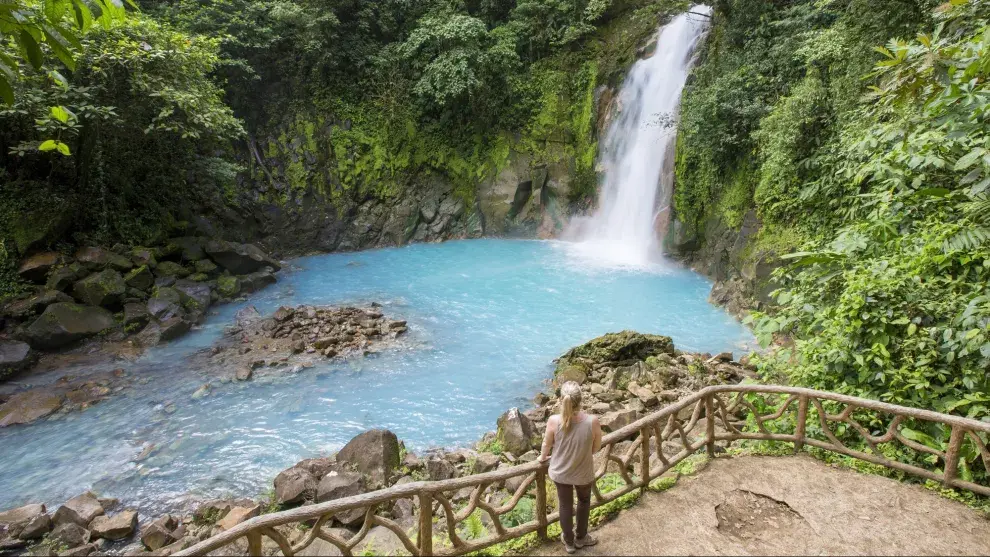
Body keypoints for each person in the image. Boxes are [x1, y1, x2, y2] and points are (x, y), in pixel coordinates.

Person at [538, 381, 602, 554]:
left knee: (565, 506)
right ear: (580, 400)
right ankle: (581, 538)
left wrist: (543, 458)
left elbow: (546, 444)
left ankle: (569, 542)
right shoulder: (592, 421)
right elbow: (596, 447)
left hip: (561, 473)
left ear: (560, 400)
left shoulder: (553, 421)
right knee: (584, 502)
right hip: (583, 472)